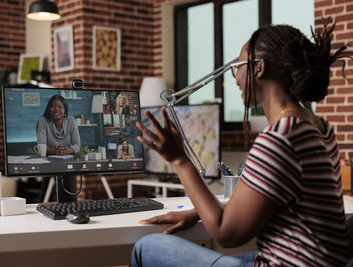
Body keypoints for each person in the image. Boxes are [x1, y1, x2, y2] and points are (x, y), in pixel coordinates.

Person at [130, 20, 352, 267]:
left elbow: (227, 234)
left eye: (237, 66)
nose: (235, 78)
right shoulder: (319, 127)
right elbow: (271, 200)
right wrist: (198, 212)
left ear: (258, 68)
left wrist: (180, 161)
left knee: (147, 246)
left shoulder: (280, 136)